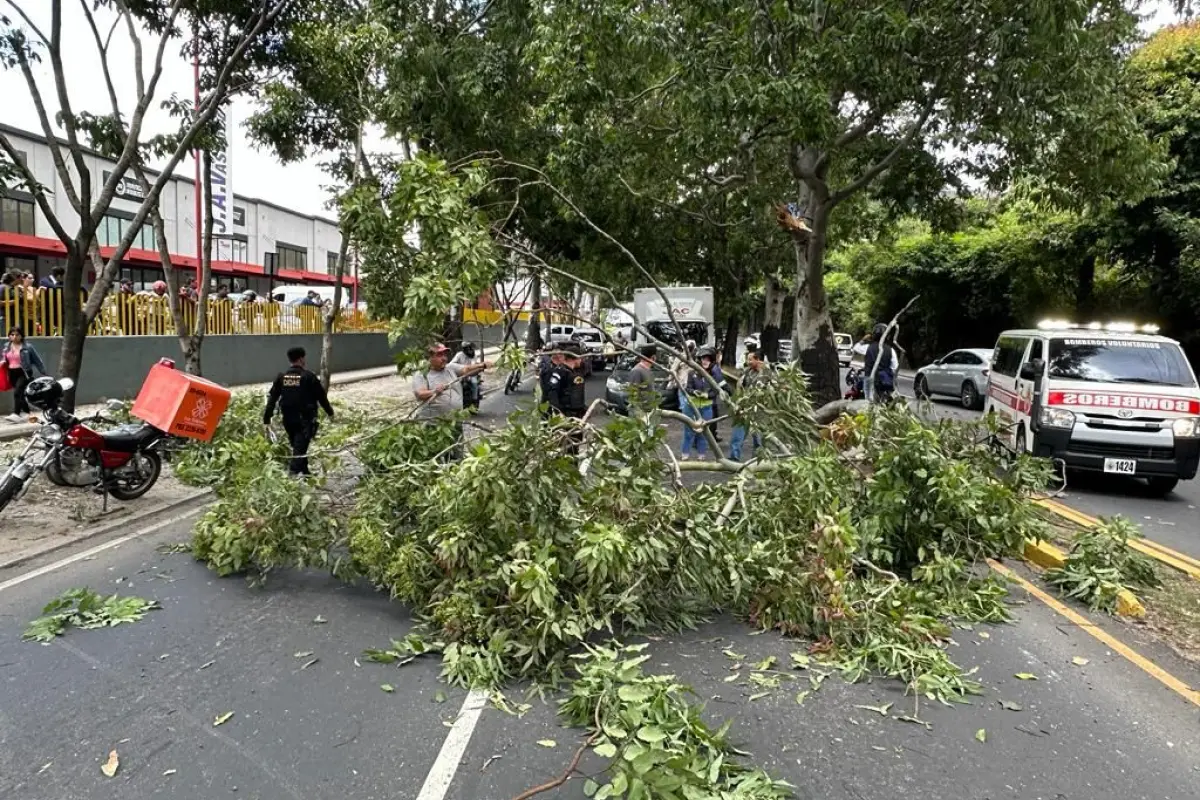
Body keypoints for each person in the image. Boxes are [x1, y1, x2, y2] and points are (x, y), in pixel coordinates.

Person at [263, 346, 335, 475]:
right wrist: (330, 413)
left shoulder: (282, 377)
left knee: (299, 447)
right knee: (299, 449)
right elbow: (321, 397)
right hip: (305, 420)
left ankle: (306, 472)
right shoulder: (309, 377)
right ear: (301, 359)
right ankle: (292, 476)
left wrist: (266, 419)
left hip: (288, 420)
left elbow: (272, 399)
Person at [412, 342, 488, 419]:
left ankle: (474, 400)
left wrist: (482, 365)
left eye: (445, 354)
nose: (444, 358)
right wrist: (435, 391)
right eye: (439, 355)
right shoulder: (421, 374)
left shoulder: (450, 368)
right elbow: (420, 394)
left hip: (455, 419)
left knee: (474, 383)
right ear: (429, 357)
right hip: (434, 423)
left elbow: (466, 369)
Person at [680, 348, 719, 460]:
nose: (705, 361)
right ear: (699, 360)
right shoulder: (692, 373)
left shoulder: (713, 374)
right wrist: (694, 392)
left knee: (703, 432)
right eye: (703, 359)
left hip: (706, 408)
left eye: (708, 359)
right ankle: (685, 455)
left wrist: (708, 395)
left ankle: (701, 455)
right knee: (689, 432)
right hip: (691, 407)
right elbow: (688, 388)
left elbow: (716, 390)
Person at [730, 349, 768, 461]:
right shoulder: (747, 372)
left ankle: (757, 460)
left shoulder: (767, 373)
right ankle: (734, 458)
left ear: (758, 360)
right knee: (738, 434)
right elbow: (739, 387)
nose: (748, 362)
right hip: (744, 408)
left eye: (750, 359)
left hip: (759, 410)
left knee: (758, 437)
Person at [5, 326, 47, 422]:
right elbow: (4, 359)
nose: (14, 337)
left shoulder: (28, 347)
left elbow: (37, 361)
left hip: (23, 372)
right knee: (20, 394)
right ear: (9, 336)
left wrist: (43, 372)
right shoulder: (7, 346)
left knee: (17, 392)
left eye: (17, 335)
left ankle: (16, 413)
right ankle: (28, 414)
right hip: (11, 373)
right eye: (12, 334)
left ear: (21, 336)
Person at [544, 343, 587, 419]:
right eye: (579, 358)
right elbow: (551, 391)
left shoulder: (574, 372)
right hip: (565, 413)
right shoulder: (559, 371)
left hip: (577, 413)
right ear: (573, 358)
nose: (581, 360)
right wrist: (557, 412)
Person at [863, 323, 899, 403]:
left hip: (869, 378)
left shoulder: (867, 347)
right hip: (884, 380)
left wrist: (863, 340)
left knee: (868, 402)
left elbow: (856, 348)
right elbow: (894, 368)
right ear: (887, 336)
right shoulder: (891, 350)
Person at [625, 344, 658, 411]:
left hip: (649, 413)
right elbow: (633, 396)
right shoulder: (637, 371)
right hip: (641, 415)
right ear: (653, 357)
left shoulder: (648, 370)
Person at [452, 342, 482, 412]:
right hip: (460, 373)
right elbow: (452, 363)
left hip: (470, 373)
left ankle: (475, 400)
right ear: (464, 349)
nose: (469, 350)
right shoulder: (459, 355)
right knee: (454, 385)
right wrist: (458, 368)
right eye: (467, 348)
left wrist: (469, 370)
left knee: (474, 383)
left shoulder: (474, 355)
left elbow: (473, 364)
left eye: (470, 348)